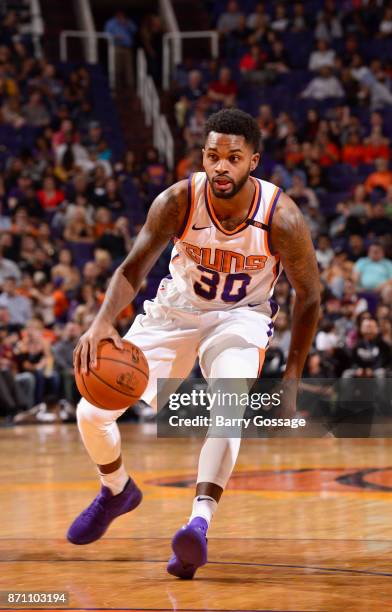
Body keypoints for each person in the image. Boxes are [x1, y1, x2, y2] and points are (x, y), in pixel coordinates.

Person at [67, 109, 320, 579]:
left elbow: (310, 298)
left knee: (229, 405)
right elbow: (132, 269)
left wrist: (291, 380)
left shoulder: (281, 217)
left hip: (240, 317)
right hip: (175, 312)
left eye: (233, 158)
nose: (220, 166)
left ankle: (197, 526)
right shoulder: (178, 201)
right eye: (212, 156)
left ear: (253, 162)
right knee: (90, 412)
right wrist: (101, 321)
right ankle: (117, 489)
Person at [104, 10, 137, 89]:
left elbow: (135, 30)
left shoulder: (127, 22)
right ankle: (117, 85)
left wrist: (126, 24)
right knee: (117, 67)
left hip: (127, 48)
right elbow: (106, 35)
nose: (121, 16)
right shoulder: (110, 23)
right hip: (116, 47)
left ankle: (130, 85)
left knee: (128, 68)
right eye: (119, 15)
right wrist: (115, 37)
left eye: (122, 15)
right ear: (116, 15)